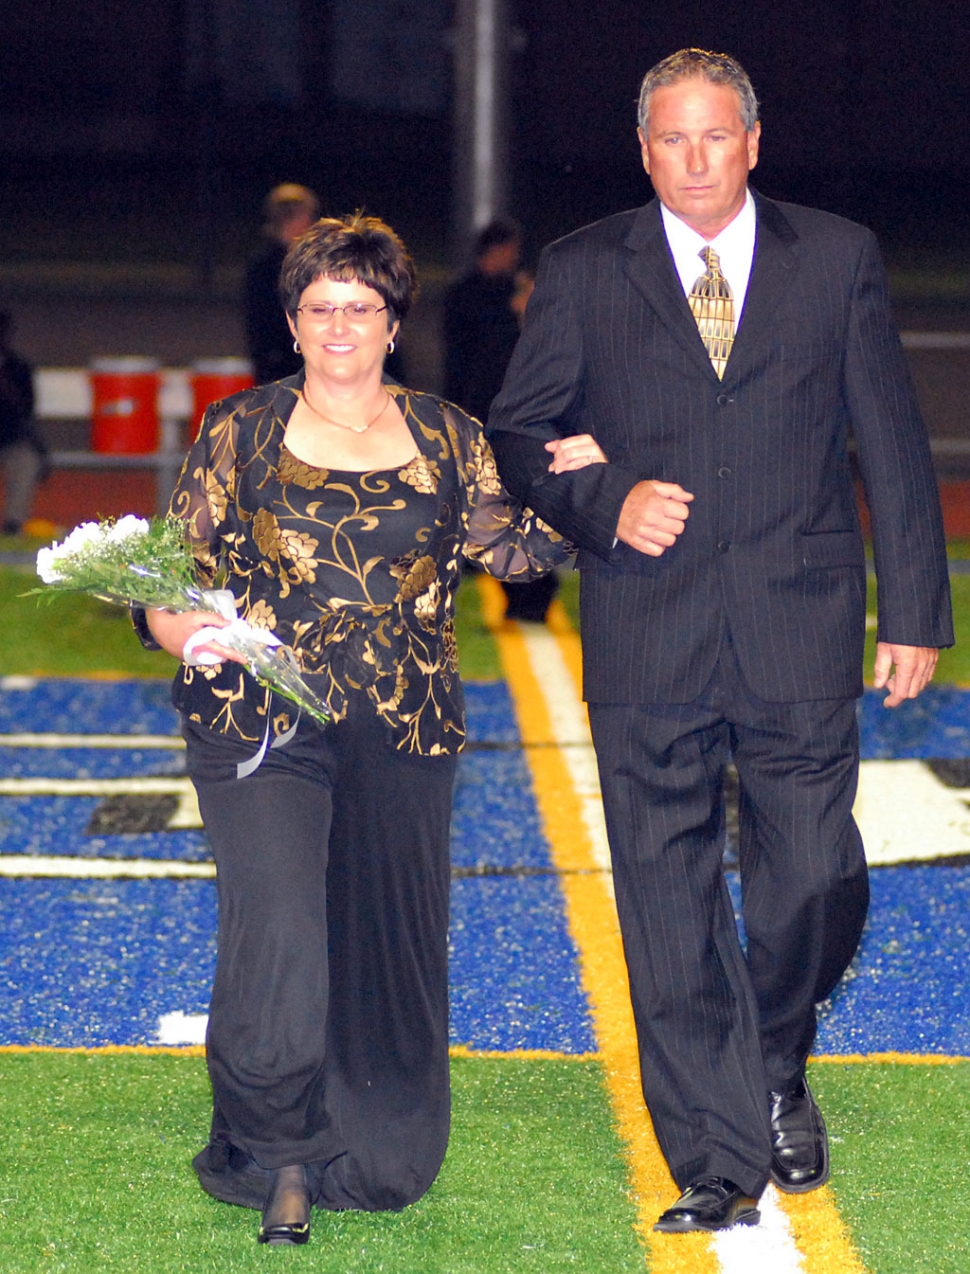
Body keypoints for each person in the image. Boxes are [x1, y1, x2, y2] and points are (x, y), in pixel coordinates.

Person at [488, 48, 952, 1233]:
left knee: (812, 877)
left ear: (752, 141)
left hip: (798, 624)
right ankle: (713, 1148)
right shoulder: (583, 268)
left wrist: (913, 608)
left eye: (713, 137)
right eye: (668, 140)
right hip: (649, 633)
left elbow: (886, 440)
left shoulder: (836, 256)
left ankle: (772, 1056)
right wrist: (606, 501)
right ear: (643, 150)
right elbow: (520, 429)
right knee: (667, 895)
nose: (692, 160)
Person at [137, 213, 603, 1245]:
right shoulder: (239, 427)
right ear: (292, 323)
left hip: (405, 726)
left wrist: (581, 474)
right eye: (319, 307)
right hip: (259, 721)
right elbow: (169, 573)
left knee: (384, 949)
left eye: (362, 306)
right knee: (282, 932)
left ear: (393, 322)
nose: (340, 324)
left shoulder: (446, 433)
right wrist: (185, 631)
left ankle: (364, 1136)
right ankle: (277, 1147)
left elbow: (518, 551)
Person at [444, 219, 556, 621]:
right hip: (487, 422)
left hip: (518, 426)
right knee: (489, 507)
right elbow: (470, 364)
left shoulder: (519, 306)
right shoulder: (472, 300)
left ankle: (529, 593)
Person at [244, 183, 320, 385]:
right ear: (295, 219)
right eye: (307, 216)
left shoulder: (265, 263)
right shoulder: (268, 267)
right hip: (285, 367)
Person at [0, 312, 45, 535]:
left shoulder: (18, 368)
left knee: (26, 461)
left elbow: (26, 408)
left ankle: (13, 524)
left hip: (9, 438)